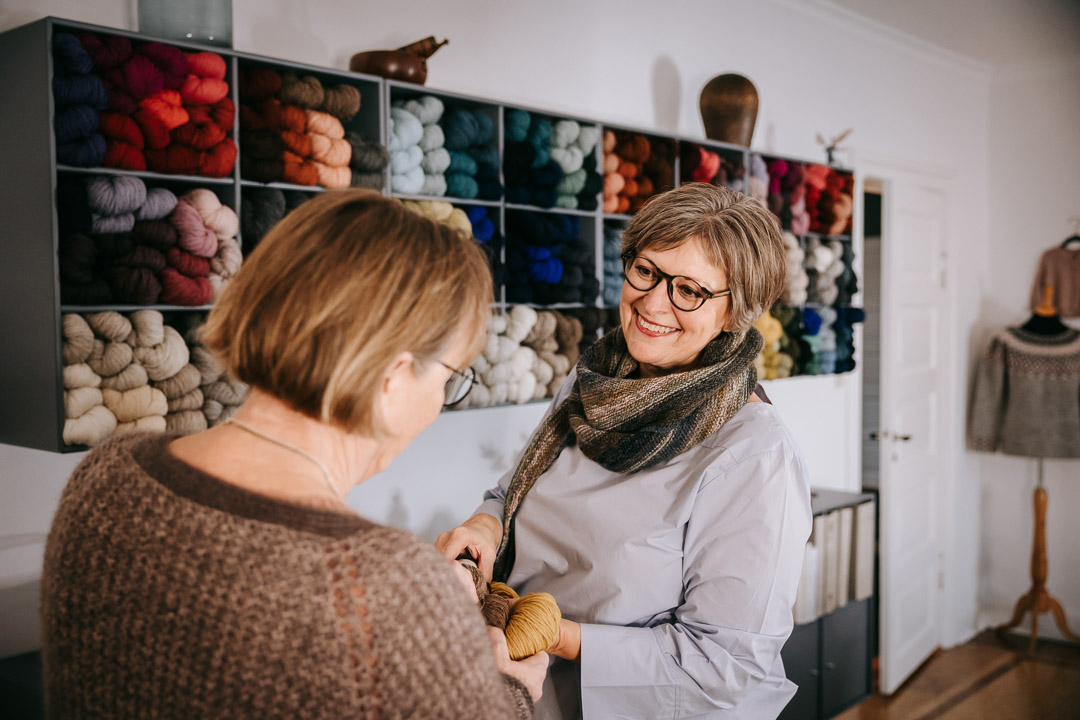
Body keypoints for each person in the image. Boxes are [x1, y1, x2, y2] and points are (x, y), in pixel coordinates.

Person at [40, 190, 547, 719]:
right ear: (393, 378)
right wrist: (504, 691)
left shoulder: (107, 473)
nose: (441, 400)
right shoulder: (382, 590)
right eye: (450, 377)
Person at [437, 183, 813, 719]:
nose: (654, 302)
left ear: (735, 313)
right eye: (647, 271)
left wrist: (557, 636)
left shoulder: (753, 454)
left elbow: (726, 666)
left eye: (690, 290)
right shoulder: (593, 381)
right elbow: (511, 493)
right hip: (520, 690)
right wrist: (483, 528)